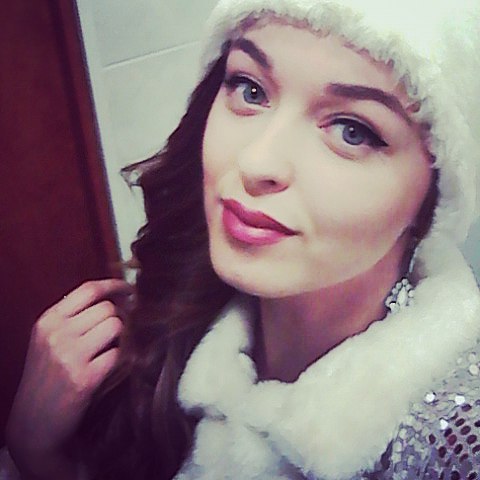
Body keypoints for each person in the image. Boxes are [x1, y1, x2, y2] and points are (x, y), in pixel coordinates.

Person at [2, 0, 480, 478]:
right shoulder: (175, 322)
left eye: (352, 131)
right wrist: (38, 452)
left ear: (432, 199)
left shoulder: (457, 440)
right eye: (250, 89)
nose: (256, 161)